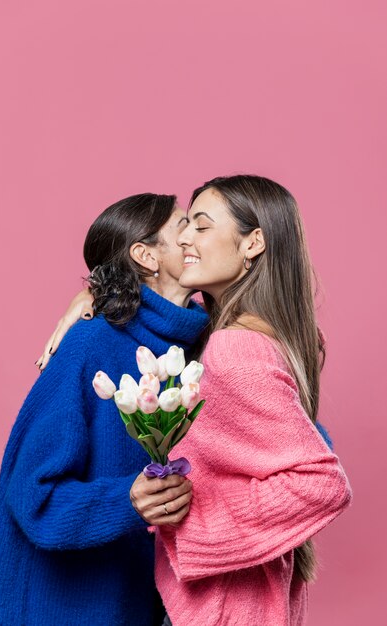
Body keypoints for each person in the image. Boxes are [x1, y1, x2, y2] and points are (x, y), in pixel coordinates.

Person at [130, 175, 352, 626]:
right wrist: (93, 295)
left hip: (223, 606)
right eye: (186, 225)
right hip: (250, 600)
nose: (185, 237)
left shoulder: (236, 348)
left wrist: (193, 516)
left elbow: (320, 482)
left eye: (202, 226)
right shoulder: (273, 336)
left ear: (253, 244)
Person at [0, 193, 208, 626]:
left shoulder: (202, 347)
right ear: (146, 255)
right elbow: (31, 494)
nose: (197, 236)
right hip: (64, 610)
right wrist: (126, 499)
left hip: (141, 604)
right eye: (184, 225)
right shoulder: (90, 345)